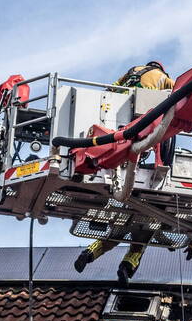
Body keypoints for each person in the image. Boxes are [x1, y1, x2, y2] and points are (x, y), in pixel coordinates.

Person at [74, 61, 178, 285]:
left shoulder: (133, 71)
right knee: (139, 246)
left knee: (112, 236)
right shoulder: (163, 78)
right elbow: (181, 93)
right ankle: (125, 268)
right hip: (148, 120)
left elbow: (111, 88)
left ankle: (88, 254)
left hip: (125, 117)